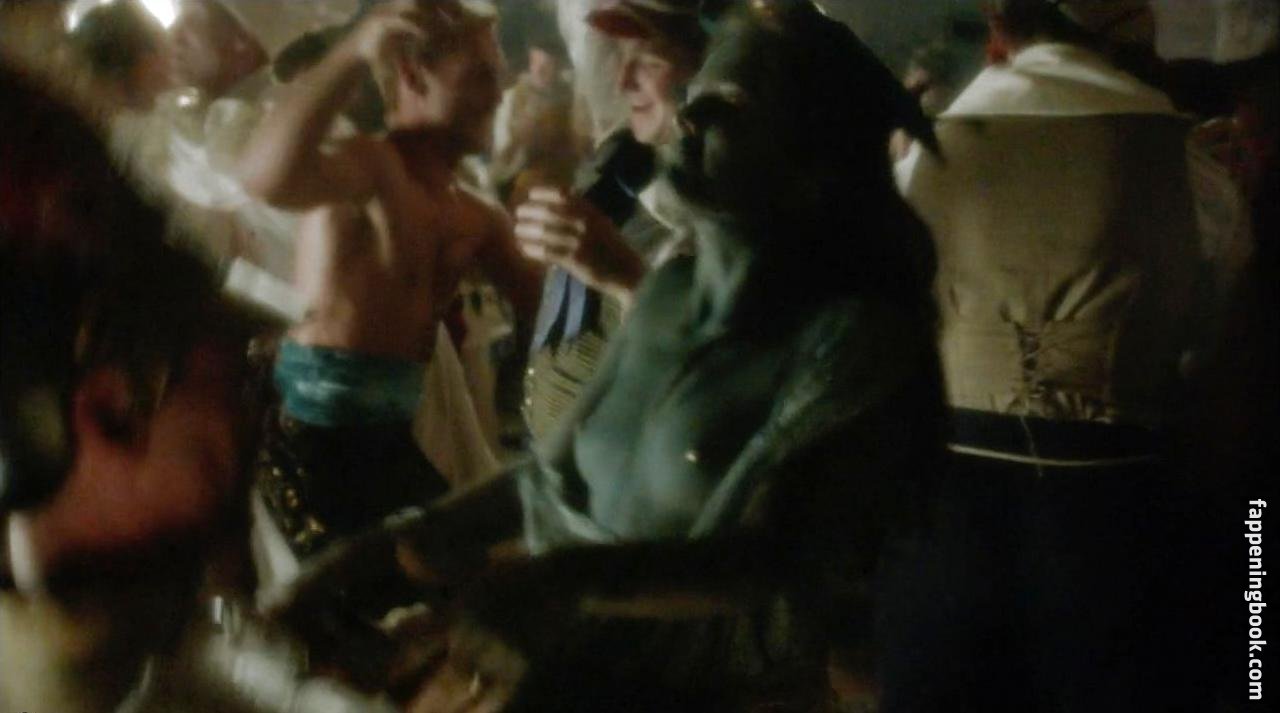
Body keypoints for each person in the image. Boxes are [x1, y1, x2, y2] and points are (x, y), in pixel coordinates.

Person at [281, 2, 944, 710]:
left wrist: (559, 583)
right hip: (568, 676)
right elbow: (545, 481)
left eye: (732, 107)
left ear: (815, 159)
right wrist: (387, 553)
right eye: (697, 97)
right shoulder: (670, 293)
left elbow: (778, 558)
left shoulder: (854, 344)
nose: (691, 117)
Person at [884, 1, 1220, 710]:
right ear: (1134, 37)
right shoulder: (1179, 158)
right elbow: (1207, 327)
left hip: (946, 505)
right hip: (1108, 507)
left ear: (998, 36)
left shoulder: (924, 151)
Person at [238, 0, 542, 562]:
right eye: (480, 76)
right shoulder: (371, 169)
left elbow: (557, 320)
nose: (498, 95)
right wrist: (354, 50)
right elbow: (264, 178)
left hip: (387, 441)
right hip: (311, 447)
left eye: (496, 77)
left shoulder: (477, 215)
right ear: (412, 75)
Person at [514, 0, 706, 442]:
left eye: (650, 61)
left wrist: (629, 281)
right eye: (618, 55)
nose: (622, 81)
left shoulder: (736, 211)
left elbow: (704, 399)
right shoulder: (624, 162)